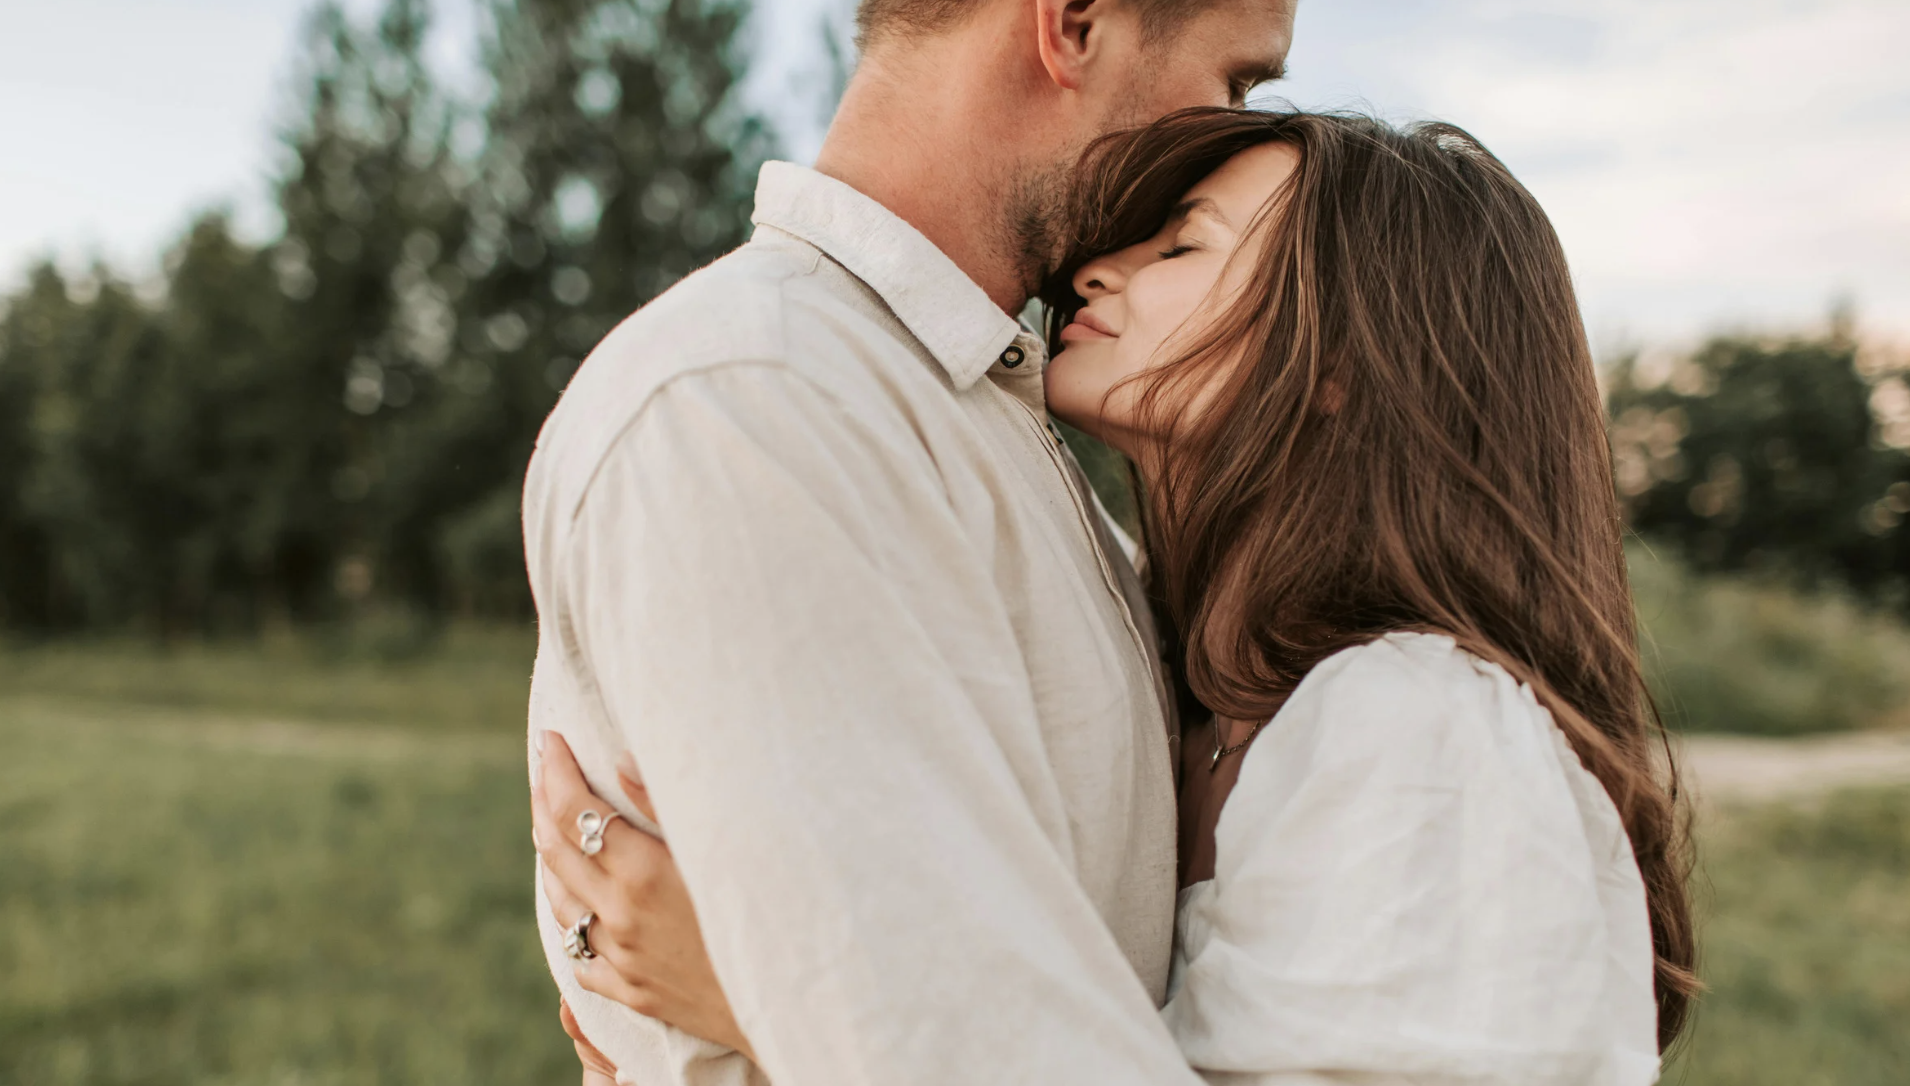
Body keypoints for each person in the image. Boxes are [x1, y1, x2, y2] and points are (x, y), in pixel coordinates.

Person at [532, 108, 1700, 1085]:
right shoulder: (1175, 685)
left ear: (1344, 363)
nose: (1097, 269)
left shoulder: (1419, 732)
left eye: (1183, 246)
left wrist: (777, 997)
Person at [521, 0, 1296, 1084]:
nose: (1238, 134)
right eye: (1236, 84)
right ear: (1072, 25)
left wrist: (750, 999)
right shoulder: (754, 401)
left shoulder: (968, 412)